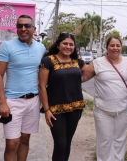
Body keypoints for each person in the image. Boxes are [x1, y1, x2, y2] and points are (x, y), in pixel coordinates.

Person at [0, 15, 46, 161]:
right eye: (20, 26)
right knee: (12, 143)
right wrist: (2, 102)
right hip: (12, 101)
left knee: (24, 139)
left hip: (34, 100)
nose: (23, 29)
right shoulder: (7, 46)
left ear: (34, 29)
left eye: (27, 26)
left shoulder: (41, 48)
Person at [39, 32, 87, 160]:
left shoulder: (77, 62)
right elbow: (42, 86)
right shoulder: (48, 61)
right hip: (55, 110)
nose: (68, 46)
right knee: (60, 144)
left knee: (67, 143)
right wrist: (46, 109)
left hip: (76, 108)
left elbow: (89, 73)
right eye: (65, 43)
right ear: (58, 45)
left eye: (71, 44)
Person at [82, 36, 127, 161]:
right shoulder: (98, 62)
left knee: (120, 140)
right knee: (104, 141)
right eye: (112, 45)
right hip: (102, 110)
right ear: (106, 47)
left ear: (121, 47)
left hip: (123, 109)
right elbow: (82, 78)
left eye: (117, 45)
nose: (115, 48)